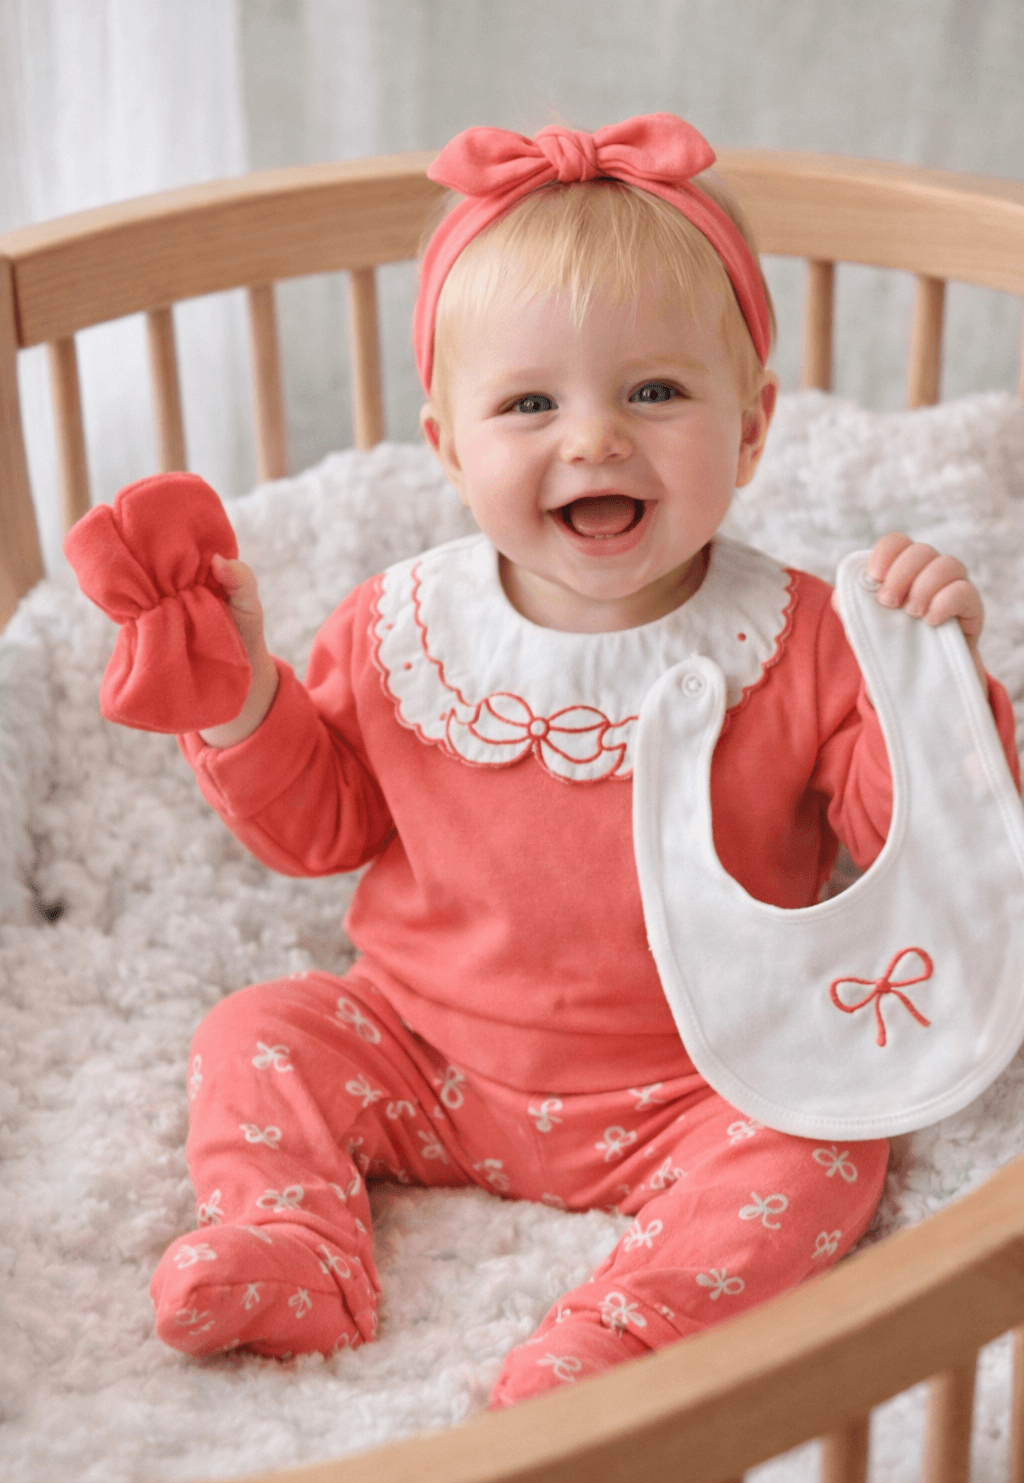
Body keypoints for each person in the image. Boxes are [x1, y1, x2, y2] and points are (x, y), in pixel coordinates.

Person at [131, 116, 1017, 1405]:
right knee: (257, 1032)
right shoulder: (399, 632)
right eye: (530, 404)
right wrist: (240, 701)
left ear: (752, 428)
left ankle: (619, 1343)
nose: (594, 439)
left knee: (827, 1152)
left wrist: (930, 681)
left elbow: (912, 851)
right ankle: (295, 1247)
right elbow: (319, 829)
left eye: (654, 393)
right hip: (424, 1053)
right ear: (449, 445)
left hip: (707, 1073)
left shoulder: (808, 638)